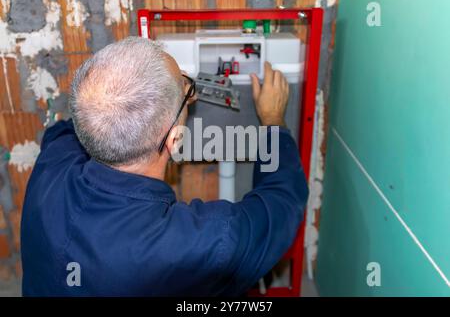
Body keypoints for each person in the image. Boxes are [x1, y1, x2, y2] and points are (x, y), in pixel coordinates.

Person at [21, 37, 308, 296]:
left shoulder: (52, 164)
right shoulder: (196, 245)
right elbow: (282, 200)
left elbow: (68, 128)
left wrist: (169, 95)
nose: (188, 88)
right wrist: (272, 121)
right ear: (174, 139)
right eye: (186, 87)